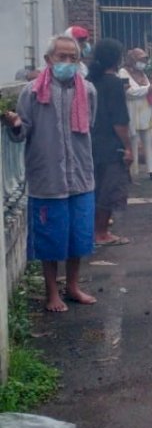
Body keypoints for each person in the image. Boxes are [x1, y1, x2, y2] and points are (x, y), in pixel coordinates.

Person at [1, 33, 97, 312]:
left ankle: (74, 287)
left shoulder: (88, 90)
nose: (67, 62)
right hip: (47, 177)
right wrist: (16, 124)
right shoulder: (31, 91)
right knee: (51, 238)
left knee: (77, 236)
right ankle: (52, 292)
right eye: (61, 57)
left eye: (73, 58)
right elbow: (22, 133)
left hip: (80, 174)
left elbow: (90, 123)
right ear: (48, 60)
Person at [88, 39, 132, 246]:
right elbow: (119, 121)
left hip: (88, 143)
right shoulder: (114, 83)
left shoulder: (88, 81)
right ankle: (101, 233)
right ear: (116, 59)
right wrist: (128, 147)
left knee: (93, 189)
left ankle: (92, 231)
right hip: (109, 144)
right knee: (109, 189)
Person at [120, 48, 152, 180]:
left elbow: (146, 89)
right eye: (140, 60)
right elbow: (129, 92)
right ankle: (132, 172)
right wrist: (148, 89)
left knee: (150, 142)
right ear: (132, 60)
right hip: (132, 111)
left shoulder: (143, 74)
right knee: (133, 142)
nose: (143, 63)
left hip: (147, 111)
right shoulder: (123, 72)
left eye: (144, 60)